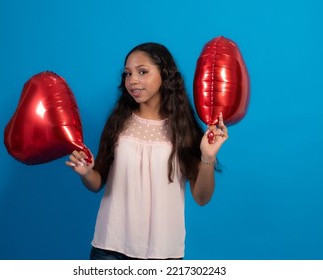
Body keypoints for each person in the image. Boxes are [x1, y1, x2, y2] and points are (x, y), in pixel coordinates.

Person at [65, 42, 228, 260]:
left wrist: (208, 156)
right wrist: (86, 173)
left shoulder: (183, 129)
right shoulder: (118, 123)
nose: (132, 80)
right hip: (110, 248)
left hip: (162, 253)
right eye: (128, 74)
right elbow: (97, 183)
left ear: (164, 74)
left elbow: (201, 197)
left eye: (142, 72)